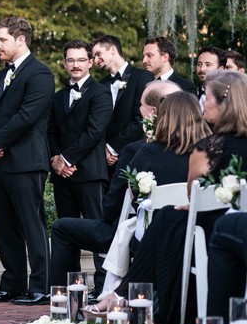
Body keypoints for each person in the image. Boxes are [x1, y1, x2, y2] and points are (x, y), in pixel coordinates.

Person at [94, 71, 247, 324]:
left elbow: (194, 196)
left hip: (212, 235)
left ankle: (125, 295)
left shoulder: (210, 148)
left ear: (223, 103)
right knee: (169, 219)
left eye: (206, 97)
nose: (202, 104)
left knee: (167, 217)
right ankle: (124, 295)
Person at [48, 86, 202, 288]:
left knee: (61, 228)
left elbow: (111, 207)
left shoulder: (142, 151)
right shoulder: (207, 154)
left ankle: (62, 297)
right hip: (194, 236)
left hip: (139, 238)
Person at [0, 16, 54, 306]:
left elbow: (27, 116)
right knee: (5, 226)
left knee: (32, 224)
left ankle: (40, 287)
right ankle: (12, 284)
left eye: (2, 40)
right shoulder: (0, 77)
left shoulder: (40, 75)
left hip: (27, 162)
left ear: (20, 39)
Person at [47, 39, 112, 221]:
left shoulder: (101, 92)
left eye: (81, 60)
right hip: (62, 177)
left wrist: (65, 160)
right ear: (64, 63)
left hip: (90, 174)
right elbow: (50, 131)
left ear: (90, 62)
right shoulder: (58, 97)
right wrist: (54, 158)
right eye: (71, 60)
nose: (75, 65)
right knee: (66, 234)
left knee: (97, 232)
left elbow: (94, 131)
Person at [91, 35, 153, 174]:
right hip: (105, 162)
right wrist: (104, 150)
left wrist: (112, 148)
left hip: (134, 156)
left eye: (98, 54)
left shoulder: (142, 77)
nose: (95, 60)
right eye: (94, 57)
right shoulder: (100, 85)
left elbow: (141, 119)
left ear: (113, 50)